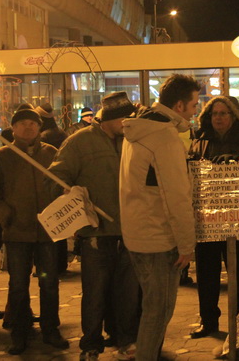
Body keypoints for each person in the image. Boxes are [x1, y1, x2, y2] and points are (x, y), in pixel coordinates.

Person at [48, 92, 140, 361]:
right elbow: (55, 178)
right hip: (96, 234)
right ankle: (90, 344)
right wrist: (69, 193)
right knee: (95, 293)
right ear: (109, 118)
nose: (128, 123)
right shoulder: (79, 142)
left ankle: (126, 339)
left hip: (130, 230)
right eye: (124, 118)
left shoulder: (133, 140)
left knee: (128, 293)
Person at [119, 74, 200, 360]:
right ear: (179, 106)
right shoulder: (163, 137)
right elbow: (176, 196)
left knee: (152, 308)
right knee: (159, 310)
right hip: (158, 238)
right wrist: (187, 244)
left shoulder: (139, 128)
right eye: (194, 105)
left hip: (137, 233)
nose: (195, 111)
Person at [0, 108, 69, 355]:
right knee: (18, 285)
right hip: (17, 233)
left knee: (49, 283)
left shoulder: (51, 154)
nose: (28, 127)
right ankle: (19, 331)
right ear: (14, 128)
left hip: (47, 233)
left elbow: (62, 185)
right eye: (22, 123)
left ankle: (50, 329)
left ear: (40, 127)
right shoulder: (1, 157)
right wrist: (6, 215)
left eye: (33, 123)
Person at [188, 95, 239, 338]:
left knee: (237, 272)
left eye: (223, 113)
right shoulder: (199, 139)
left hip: (236, 216)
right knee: (206, 272)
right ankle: (208, 320)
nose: (218, 118)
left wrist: (236, 163)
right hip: (207, 216)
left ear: (233, 116)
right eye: (214, 113)